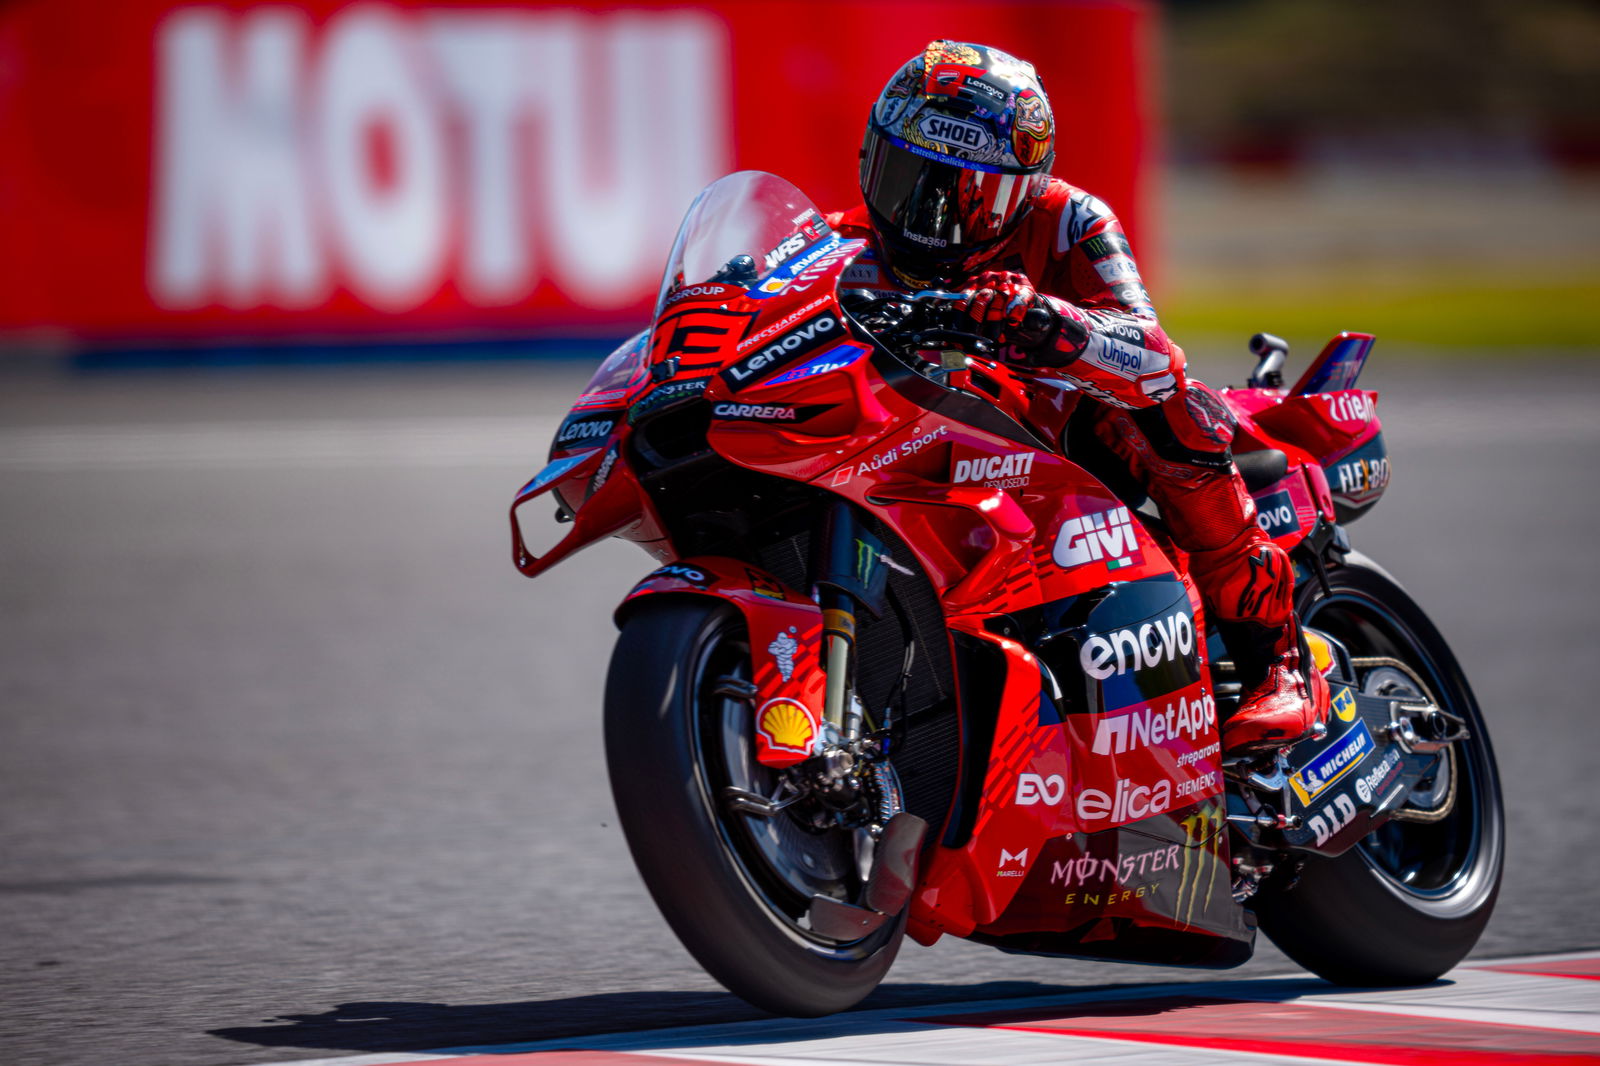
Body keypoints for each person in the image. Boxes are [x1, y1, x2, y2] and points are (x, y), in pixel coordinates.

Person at [828, 40, 1327, 756]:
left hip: (1069, 430)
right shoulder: (844, 244)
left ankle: (1276, 665)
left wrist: (1044, 320)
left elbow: (1152, 351)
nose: (925, 215)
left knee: (1170, 413)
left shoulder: (1070, 221)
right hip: (932, 446)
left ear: (1021, 192)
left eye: (965, 194)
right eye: (907, 176)